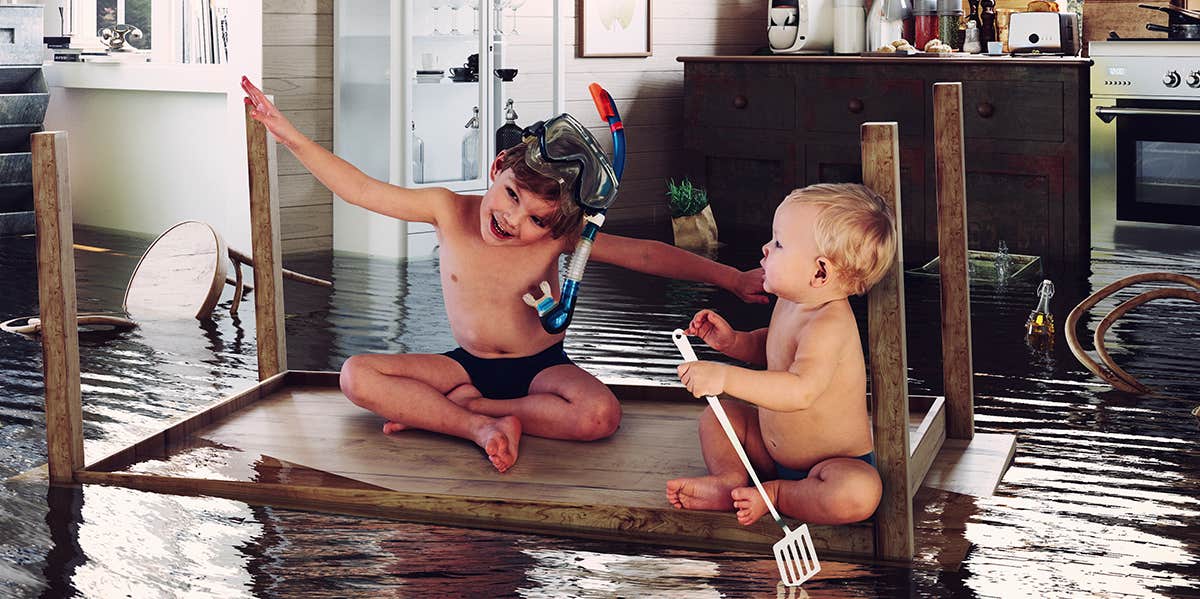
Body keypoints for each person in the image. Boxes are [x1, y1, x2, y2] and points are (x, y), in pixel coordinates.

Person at [242, 77, 768, 474]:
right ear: (497, 168)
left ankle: (471, 412)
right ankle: (477, 424)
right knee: (357, 375)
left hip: (541, 368)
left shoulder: (564, 240)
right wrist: (289, 135)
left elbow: (649, 256)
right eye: (513, 195)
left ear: (556, 225)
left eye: (537, 219)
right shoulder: (447, 210)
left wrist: (729, 278)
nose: (514, 219)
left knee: (600, 416)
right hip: (463, 366)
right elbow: (361, 189)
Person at [666, 183, 896, 526]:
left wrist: (725, 377)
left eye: (779, 243)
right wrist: (733, 342)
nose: (765, 248)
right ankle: (729, 481)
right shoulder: (793, 301)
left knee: (858, 493)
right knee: (719, 416)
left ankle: (775, 494)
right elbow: (772, 349)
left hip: (830, 465)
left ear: (820, 272)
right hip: (772, 450)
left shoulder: (828, 324)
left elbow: (799, 388)